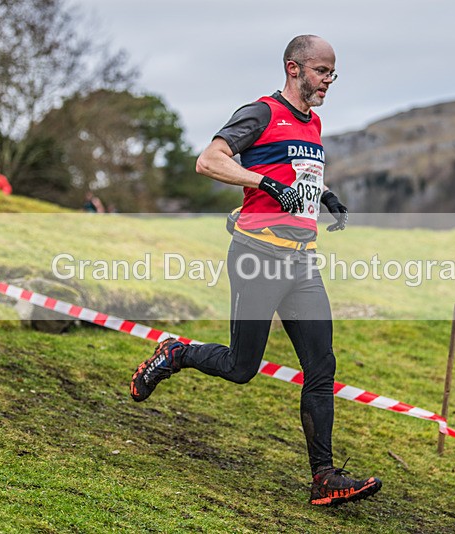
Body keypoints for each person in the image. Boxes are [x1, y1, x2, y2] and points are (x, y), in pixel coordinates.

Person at [130, 35, 381, 506]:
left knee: (321, 367)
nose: (328, 80)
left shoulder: (314, 123)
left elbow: (296, 173)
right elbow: (209, 160)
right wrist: (263, 181)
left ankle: (323, 477)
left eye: (333, 73)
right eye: (321, 71)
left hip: (301, 261)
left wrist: (322, 195)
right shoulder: (260, 113)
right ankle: (177, 353)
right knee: (242, 367)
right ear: (294, 68)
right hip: (257, 256)